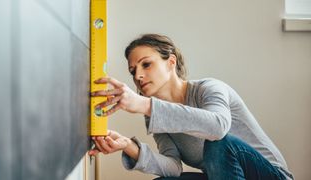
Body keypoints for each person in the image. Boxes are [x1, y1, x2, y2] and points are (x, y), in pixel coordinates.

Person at [88, 34, 294, 180]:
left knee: (218, 143)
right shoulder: (154, 114)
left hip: (272, 175)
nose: (138, 76)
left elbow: (218, 127)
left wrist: (144, 104)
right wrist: (128, 146)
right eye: (133, 71)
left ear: (170, 62)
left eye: (146, 64)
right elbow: (173, 167)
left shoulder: (210, 88)